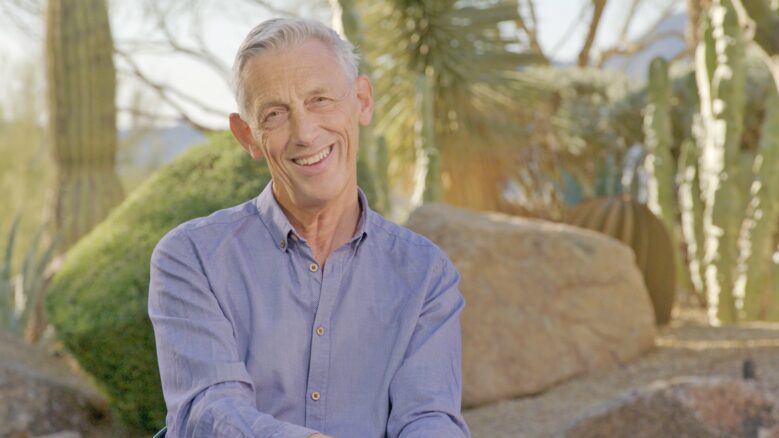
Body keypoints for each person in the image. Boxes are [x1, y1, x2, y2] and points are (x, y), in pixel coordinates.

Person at [148, 17, 470, 438]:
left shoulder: (425, 274)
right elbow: (209, 412)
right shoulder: (193, 258)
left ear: (362, 101)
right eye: (276, 114)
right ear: (248, 137)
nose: (304, 132)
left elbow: (430, 419)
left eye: (320, 99)